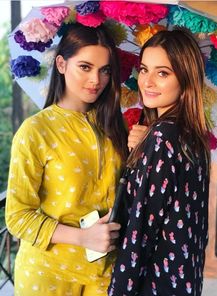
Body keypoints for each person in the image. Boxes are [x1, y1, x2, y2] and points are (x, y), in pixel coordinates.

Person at [6, 23, 129, 296]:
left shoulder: (116, 128)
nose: (96, 80)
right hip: (48, 275)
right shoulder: (36, 131)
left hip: (104, 273)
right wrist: (82, 237)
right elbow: (17, 217)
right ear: (61, 64)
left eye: (105, 70)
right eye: (85, 67)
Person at [108, 28, 211, 296]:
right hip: (182, 280)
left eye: (162, 73)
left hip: (152, 284)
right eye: (144, 69)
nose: (147, 82)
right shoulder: (193, 136)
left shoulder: (163, 135)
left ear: (186, 78)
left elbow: (140, 230)